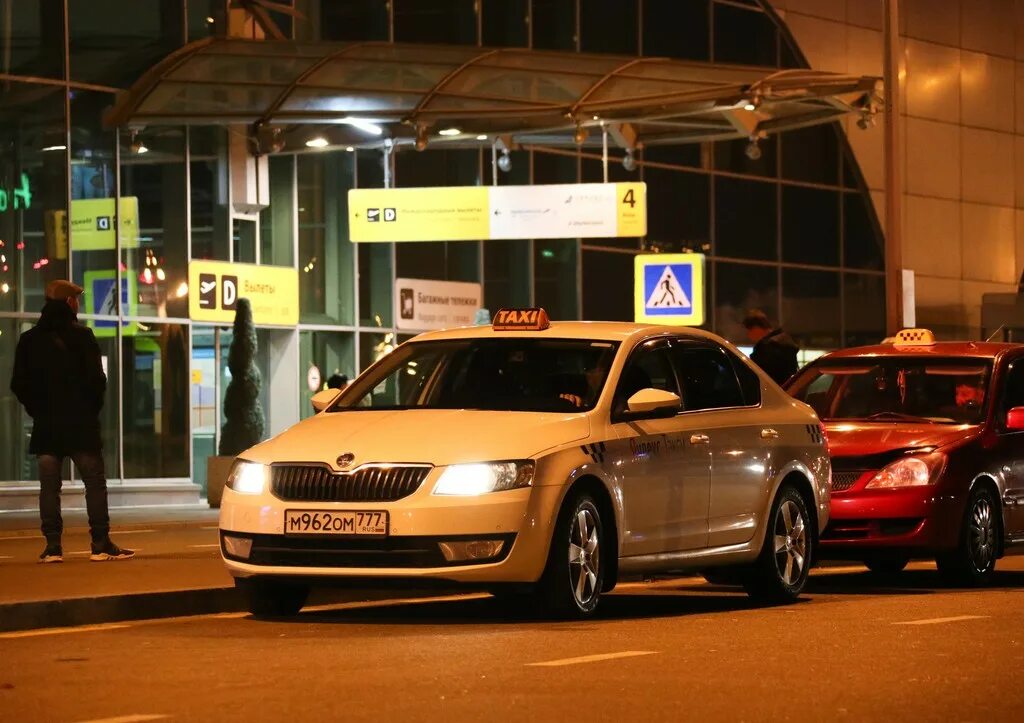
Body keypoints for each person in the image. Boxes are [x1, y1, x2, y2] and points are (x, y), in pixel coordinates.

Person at [9, 280, 134, 563]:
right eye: (76, 299)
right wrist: (88, 409)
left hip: (47, 426)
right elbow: (98, 381)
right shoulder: (83, 336)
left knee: (49, 487)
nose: (78, 303)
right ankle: (100, 544)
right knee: (94, 483)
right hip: (81, 425)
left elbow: (19, 384)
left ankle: (53, 547)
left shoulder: (29, 340)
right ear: (69, 302)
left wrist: (38, 409)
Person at [742, 309, 800, 386]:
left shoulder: (767, 348)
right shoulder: (782, 343)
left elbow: (759, 375)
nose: (748, 335)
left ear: (756, 328)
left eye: (748, 331)